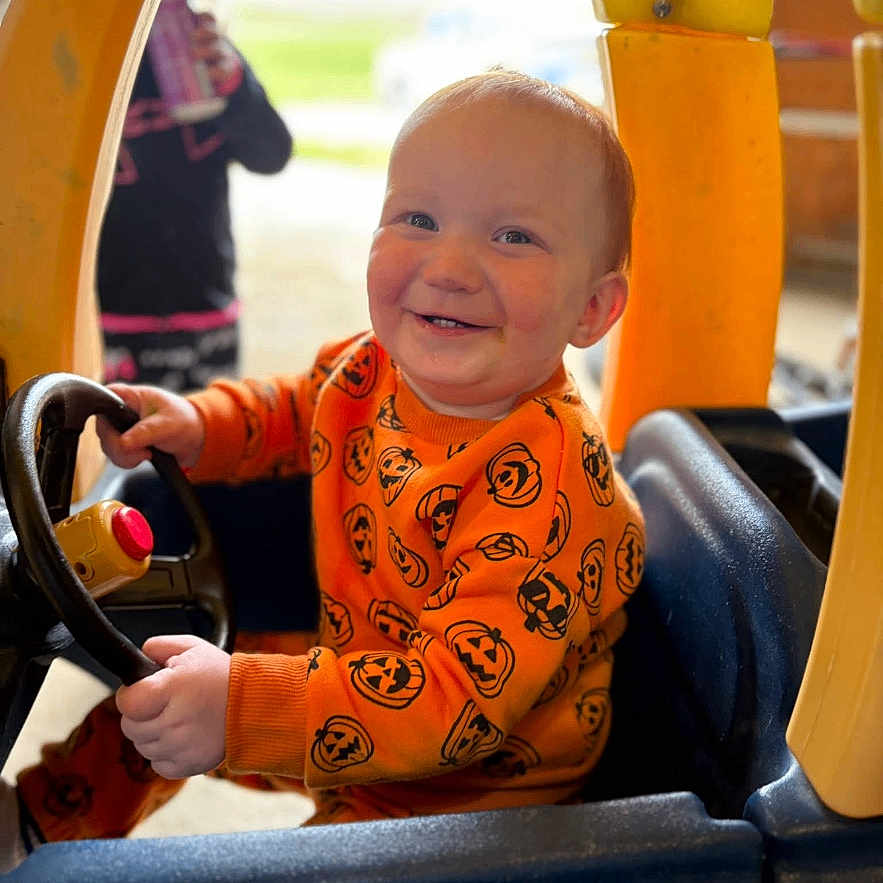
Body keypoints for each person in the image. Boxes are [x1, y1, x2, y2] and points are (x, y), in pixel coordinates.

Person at [0, 69, 645, 865]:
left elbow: (452, 704)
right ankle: (37, 825)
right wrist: (203, 425)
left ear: (591, 308)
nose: (447, 263)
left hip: (470, 798)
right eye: (417, 217)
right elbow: (297, 405)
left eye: (512, 236)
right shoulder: (374, 367)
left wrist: (240, 708)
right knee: (160, 692)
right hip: (360, 676)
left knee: (277, 825)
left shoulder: (546, 488)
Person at [98, 5, 293, 392]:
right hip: (110, 314)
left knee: (209, 442)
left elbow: (272, 154)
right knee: (114, 444)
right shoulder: (81, 71)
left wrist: (236, 84)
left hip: (206, 310)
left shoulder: (205, 53)